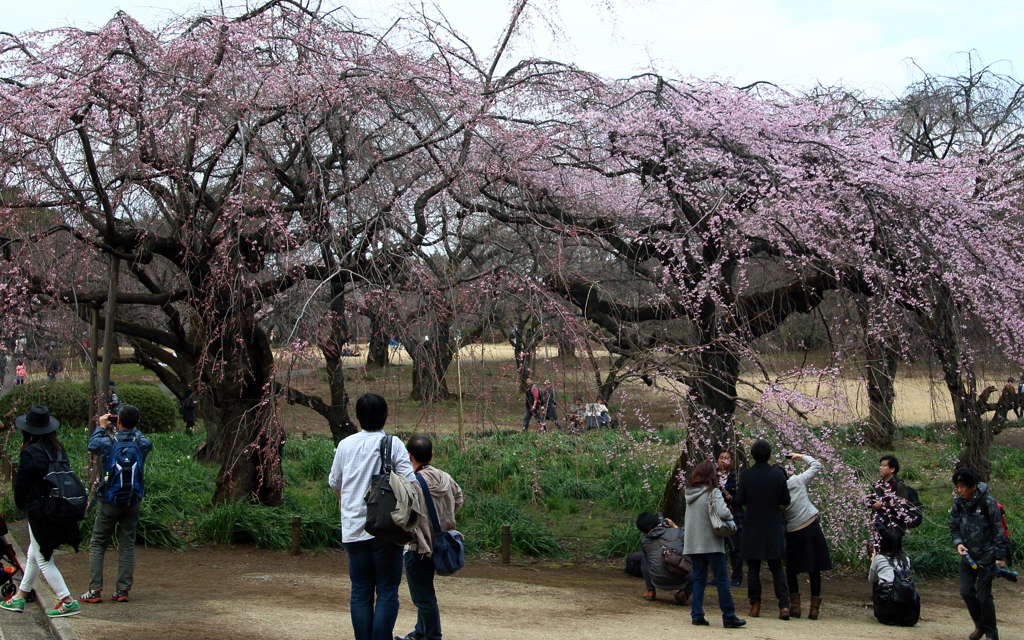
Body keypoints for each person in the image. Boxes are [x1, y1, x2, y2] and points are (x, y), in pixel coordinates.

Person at [328, 393, 415, 640]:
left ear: (358, 417)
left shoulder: (345, 445)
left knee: (361, 591)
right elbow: (410, 481)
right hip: (387, 527)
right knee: (387, 590)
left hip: (354, 525)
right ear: (385, 417)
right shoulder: (392, 444)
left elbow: (335, 482)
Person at [0, 405, 82, 618]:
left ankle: (67, 600)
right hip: (59, 507)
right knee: (33, 553)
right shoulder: (57, 449)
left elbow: (22, 486)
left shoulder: (31, 452)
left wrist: (23, 505)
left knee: (44, 558)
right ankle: (19, 597)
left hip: (40, 512)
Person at [80, 404, 153, 604]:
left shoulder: (108, 443)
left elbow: (92, 445)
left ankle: (94, 590)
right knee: (127, 544)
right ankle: (122, 590)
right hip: (133, 500)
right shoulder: (141, 444)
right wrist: (131, 426)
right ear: (137, 423)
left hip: (108, 501)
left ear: (117, 421)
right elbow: (146, 441)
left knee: (98, 543)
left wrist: (102, 426)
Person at [396, 435, 464, 640]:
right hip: (443, 541)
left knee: (423, 596)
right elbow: (459, 499)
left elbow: (403, 516)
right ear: (432, 454)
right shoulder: (445, 477)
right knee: (425, 592)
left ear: (409, 456)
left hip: (420, 546)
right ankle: (420, 632)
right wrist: (445, 519)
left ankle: (432, 636)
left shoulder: (412, 483)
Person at [683, 460, 745, 628]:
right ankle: (729, 615)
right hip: (711, 541)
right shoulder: (713, 492)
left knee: (699, 580)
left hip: (694, 543)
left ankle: (696, 614)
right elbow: (724, 512)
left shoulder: (690, 494)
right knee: (722, 580)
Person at [734, 439, 791, 619]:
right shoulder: (778, 475)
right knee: (776, 567)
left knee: (753, 568)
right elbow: (786, 500)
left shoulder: (746, 475)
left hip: (752, 524)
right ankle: (783, 606)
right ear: (769, 455)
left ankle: (755, 605)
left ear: (752, 455)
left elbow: (740, 500)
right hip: (773, 524)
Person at [950, 467, 1008, 640]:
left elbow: (999, 530)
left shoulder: (987, 503)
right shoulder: (958, 503)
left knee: (984, 597)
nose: (959, 490)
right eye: (957, 486)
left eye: (962, 486)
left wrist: (999, 557)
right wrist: (958, 543)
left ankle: (991, 632)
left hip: (987, 557)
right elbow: (953, 525)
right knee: (966, 591)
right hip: (967, 556)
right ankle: (980, 625)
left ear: (973, 486)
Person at [781, 453, 832, 619]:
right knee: (814, 568)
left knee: (792, 570)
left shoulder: (775, 495)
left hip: (794, 530)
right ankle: (814, 609)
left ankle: (795, 607)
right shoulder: (796, 481)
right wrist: (801, 456)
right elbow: (817, 466)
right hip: (811, 526)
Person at [635, 511, 693, 605]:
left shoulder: (644, 541)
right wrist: (675, 527)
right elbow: (690, 538)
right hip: (682, 579)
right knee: (696, 564)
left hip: (658, 580)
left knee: (645, 558)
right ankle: (684, 593)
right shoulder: (675, 532)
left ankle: (650, 591)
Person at [869, 530, 920, 626]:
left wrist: (873, 561)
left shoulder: (879, 558)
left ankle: (881, 611)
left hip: (886, 609)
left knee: (878, 582)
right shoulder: (906, 560)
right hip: (907, 612)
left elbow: (871, 579)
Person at [717, 450, 744, 588]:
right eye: (721, 458)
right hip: (717, 518)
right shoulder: (712, 478)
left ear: (732, 462)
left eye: (726, 458)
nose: (723, 460)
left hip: (735, 517)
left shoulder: (737, 478)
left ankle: (737, 577)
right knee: (718, 548)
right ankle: (719, 576)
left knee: (735, 548)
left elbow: (742, 498)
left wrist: (732, 499)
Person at [871, 455, 911, 541]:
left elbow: (903, 505)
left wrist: (883, 505)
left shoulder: (898, 484)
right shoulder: (877, 485)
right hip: (877, 525)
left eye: (884, 465)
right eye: (880, 465)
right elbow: (869, 498)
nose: (880, 468)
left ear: (892, 469)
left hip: (893, 526)